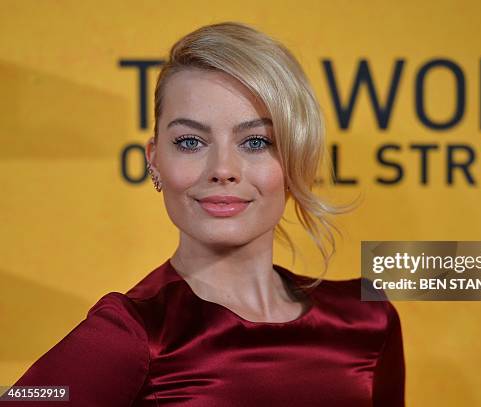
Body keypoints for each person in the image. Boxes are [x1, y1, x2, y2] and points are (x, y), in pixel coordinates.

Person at [10, 21, 405, 406]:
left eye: (255, 142)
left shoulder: (368, 320)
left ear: (297, 157)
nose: (222, 168)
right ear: (155, 160)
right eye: (190, 141)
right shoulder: (134, 332)